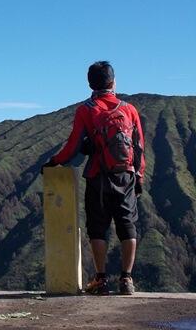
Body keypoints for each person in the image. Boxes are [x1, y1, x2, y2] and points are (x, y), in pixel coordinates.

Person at [45, 61, 145, 295]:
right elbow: (139, 146)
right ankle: (126, 279)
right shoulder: (129, 109)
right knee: (127, 225)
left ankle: (101, 280)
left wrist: (55, 161)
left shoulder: (87, 110)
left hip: (98, 175)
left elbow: (73, 146)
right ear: (113, 82)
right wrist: (138, 176)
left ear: (90, 83)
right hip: (126, 176)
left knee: (98, 228)